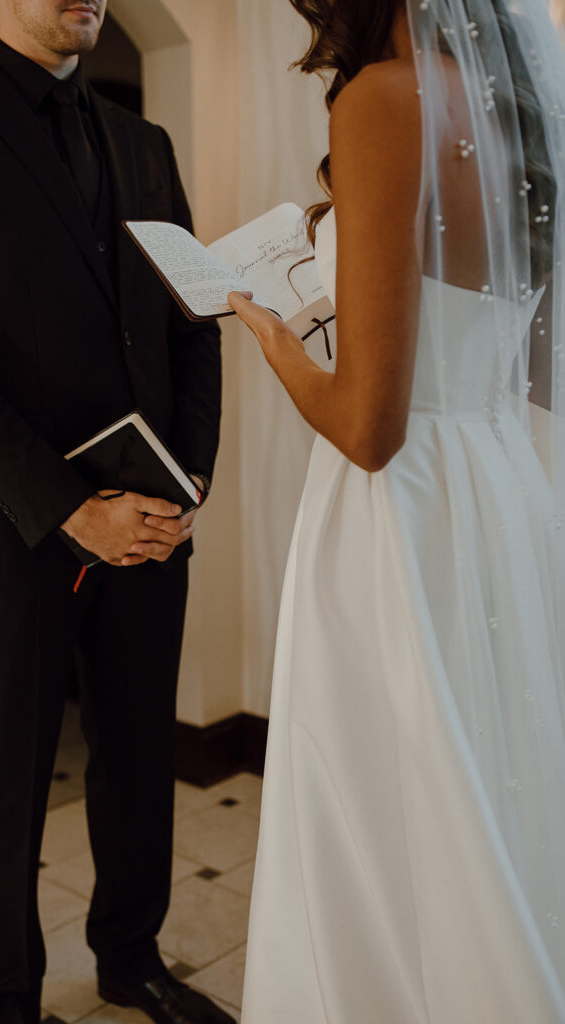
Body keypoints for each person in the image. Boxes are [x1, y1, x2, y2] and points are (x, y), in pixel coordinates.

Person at [0, 2, 231, 1023]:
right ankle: (1, 999)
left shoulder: (143, 141)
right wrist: (72, 506)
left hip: (155, 519)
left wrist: (191, 474)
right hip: (19, 526)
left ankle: (130, 957)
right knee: (6, 780)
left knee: (136, 754)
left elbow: (193, 320)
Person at [230, 0, 565, 1020]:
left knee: (378, 804)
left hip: (395, 515)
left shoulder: (381, 102)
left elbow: (367, 427)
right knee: (487, 778)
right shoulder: (519, 116)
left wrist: (268, 327)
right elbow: (536, 370)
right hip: (498, 486)